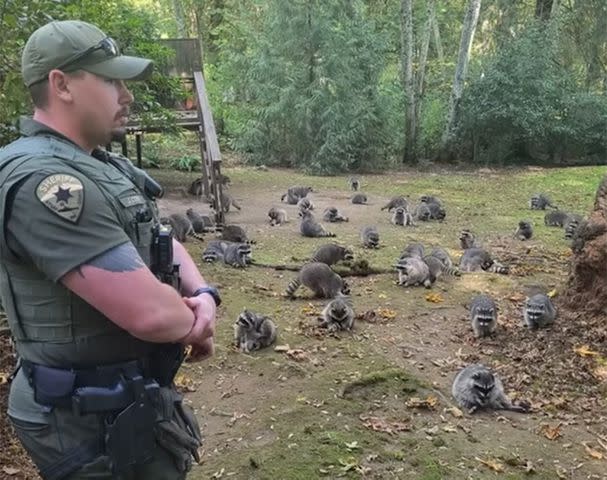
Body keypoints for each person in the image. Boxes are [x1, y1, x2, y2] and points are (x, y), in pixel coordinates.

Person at [0, 20, 220, 479]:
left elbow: (162, 237)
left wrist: (204, 295)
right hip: (82, 420)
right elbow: (150, 314)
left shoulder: (98, 165)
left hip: (124, 400)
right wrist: (194, 325)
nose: (128, 95)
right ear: (61, 84)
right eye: (111, 80)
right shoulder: (47, 183)